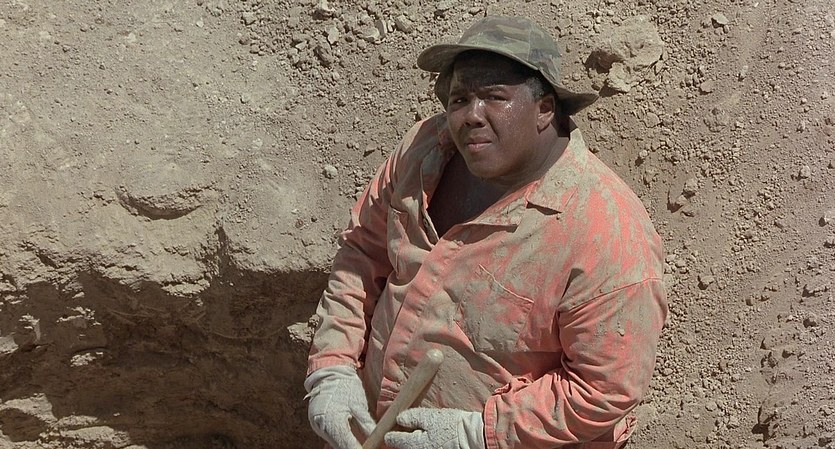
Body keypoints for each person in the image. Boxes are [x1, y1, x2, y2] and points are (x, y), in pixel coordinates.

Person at [304, 15, 668, 449]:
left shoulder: (605, 233)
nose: (471, 116)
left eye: (495, 97)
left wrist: (477, 433)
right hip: (374, 430)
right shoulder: (425, 149)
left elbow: (604, 390)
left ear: (545, 109)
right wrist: (334, 367)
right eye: (460, 99)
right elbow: (362, 253)